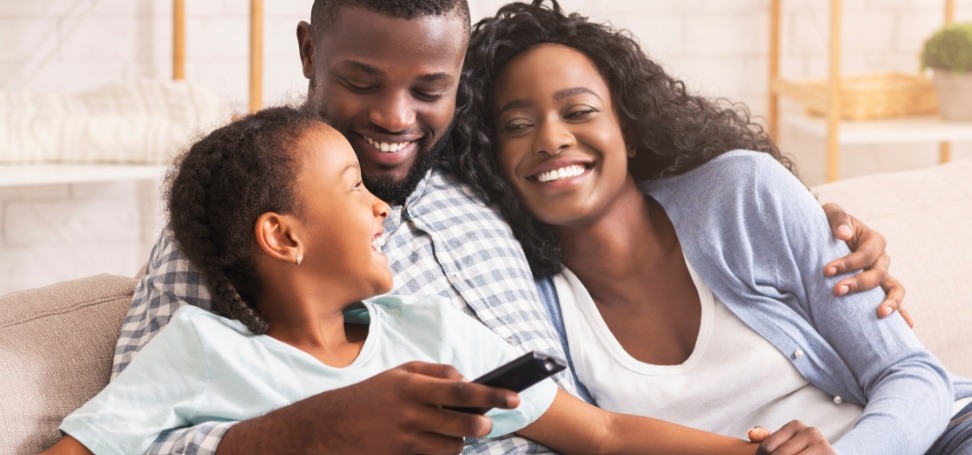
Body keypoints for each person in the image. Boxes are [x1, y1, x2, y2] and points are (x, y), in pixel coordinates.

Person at [112, 1, 904, 454]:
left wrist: (816, 225)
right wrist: (305, 432)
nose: (395, 117)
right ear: (310, 51)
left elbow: (623, 184)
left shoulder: (492, 184)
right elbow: (129, 433)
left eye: (430, 88)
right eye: (361, 81)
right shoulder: (233, 224)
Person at [45, 105, 778, 455]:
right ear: (284, 236)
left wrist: (758, 452)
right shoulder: (199, 350)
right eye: (351, 186)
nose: (379, 206)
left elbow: (606, 432)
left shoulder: (428, 329)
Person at [448, 1, 972, 454]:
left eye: (579, 111)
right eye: (518, 125)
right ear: (492, 157)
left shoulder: (742, 196)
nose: (552, 138)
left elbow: (913, 375)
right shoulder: (534, 306)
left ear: (626, 130)